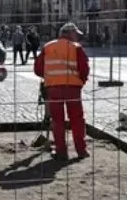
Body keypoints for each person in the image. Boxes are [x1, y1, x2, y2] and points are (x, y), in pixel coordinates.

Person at [34, 22, 91, 160]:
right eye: (76, 34)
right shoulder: (76, 48)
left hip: (54, 88)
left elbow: (38, 69)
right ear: (69, 34)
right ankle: (81, 150)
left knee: (57, 120)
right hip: (73, 88)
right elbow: (84, 69)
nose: (77, 37)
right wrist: (81, 81)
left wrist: (50, 77)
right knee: (77, 119)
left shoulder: (48, 47)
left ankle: (61, 151)